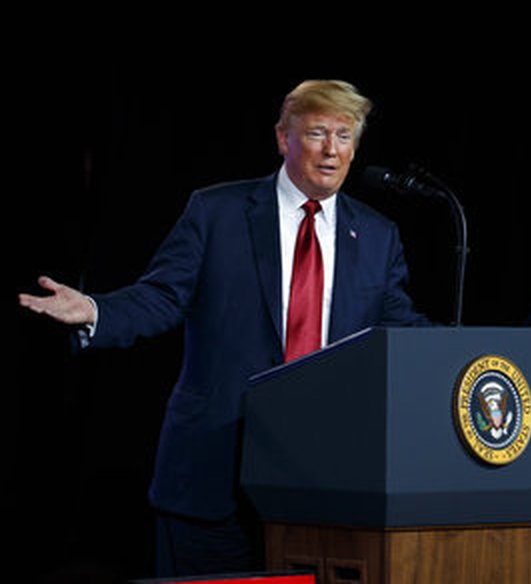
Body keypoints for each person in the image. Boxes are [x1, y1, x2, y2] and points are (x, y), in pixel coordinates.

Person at [19, 79, 430, 576]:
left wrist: (463, 356)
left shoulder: (378, 237)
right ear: (284, 138)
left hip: (322, 486)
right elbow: (162, 296)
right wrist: (95, 309)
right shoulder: (217, 212)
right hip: (213, 475)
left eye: (344, 137)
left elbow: (400, 331)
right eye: (318, 132)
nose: (331, 150)